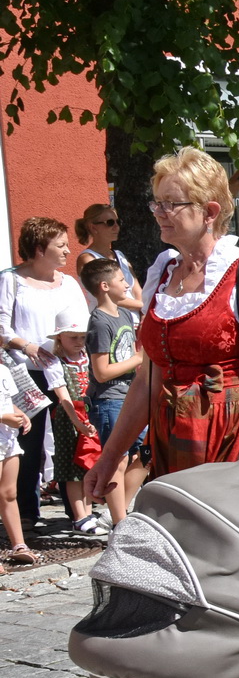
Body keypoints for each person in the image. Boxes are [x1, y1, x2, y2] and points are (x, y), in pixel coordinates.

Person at [86, 148, 239, 503]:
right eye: (157, 203)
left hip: (234, 437)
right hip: (173, 437)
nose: (160, 213)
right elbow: (146, 381)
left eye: (172, 204)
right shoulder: (162, 271)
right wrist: (109, 458)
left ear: (209, 212)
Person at [2, 217, 89, 534]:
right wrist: (28, 347)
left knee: (72, 440)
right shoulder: (12, 281)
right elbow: (1, 328)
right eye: (61, 245)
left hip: (66, 373)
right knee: (29, 441)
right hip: (27, 375)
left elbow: (81, 324)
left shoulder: (68, 283)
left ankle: (78, 510)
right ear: (39, 249)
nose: (68, 250)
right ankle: (26, 510)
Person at [81, 258, 146, 523]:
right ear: (105, 286)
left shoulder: (123, 314)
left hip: (129, 396)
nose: (127, 284)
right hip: (108, 400)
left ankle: (118, 514)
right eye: (121, 280)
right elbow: (101, 371)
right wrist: (139, 359)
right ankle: (120, 523)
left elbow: (130, 356)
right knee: (117, 459)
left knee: (147, 451)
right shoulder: (99, 321)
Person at [44, 307, 101, 534]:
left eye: (82, 337)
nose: (79, 342)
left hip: (91, 414)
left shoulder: (89, 357)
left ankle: (88, 511)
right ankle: (79, 516)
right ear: (60, 337)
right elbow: (63, 395)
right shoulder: (55, 362)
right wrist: (77, 422)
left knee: (90, 464)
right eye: (73, 337)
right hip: (70, 419)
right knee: (72, 469)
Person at [74, 204, 142, 311]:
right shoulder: (87, 258)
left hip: (134, 320)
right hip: (109, 322)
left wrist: (144, 314)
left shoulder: (119, 255)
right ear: (93, 227)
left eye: (118, 222)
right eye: (110, 223)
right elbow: (107, 296)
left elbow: (136, 289)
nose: (116, 227)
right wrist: (143, 306)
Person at [0, 395, 27, 568]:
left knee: (9, 494)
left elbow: (5, 400)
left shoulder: (4, 371)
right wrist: (3, 417)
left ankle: (19, 545)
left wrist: (19, 413)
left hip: (8, 438)